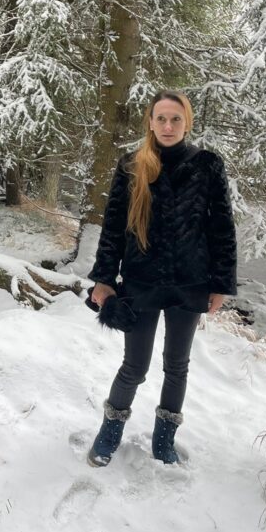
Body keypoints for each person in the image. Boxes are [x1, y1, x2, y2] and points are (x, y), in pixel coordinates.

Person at [86, 90, 237, 467]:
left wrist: (220, 284)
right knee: (134, 366)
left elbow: (222, 228)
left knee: (177, 365)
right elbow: (113, 228)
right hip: (141, 281)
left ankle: (164, 440)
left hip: (190, 283)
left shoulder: (207, 165)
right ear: (150, 122)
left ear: (187, 123)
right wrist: (104, 279)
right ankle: (110, 432)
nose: (168, 126)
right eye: (161, 119)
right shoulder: (131, 166)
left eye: (176, 119)